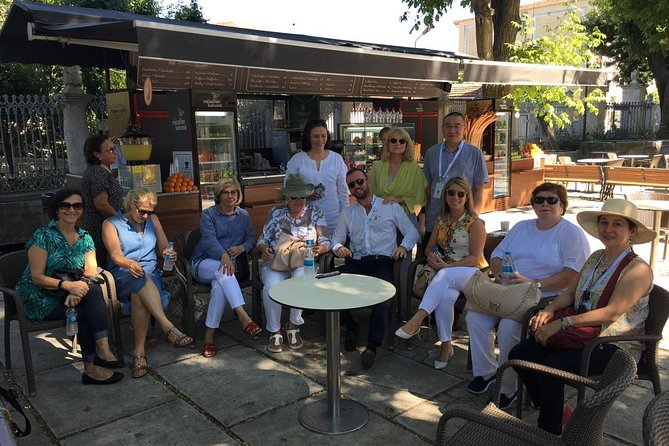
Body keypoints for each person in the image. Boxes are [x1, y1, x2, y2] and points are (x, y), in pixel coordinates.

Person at [509, 199, 655, 435]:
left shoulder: (637, 269)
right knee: (520, 355)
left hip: (613, 344)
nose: (608, 229)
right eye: (604, 223)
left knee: (551, 368)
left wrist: (562, 323)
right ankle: (557, 411)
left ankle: (549, 431)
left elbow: (613, 312)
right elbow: (569, 294)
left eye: (618, 224)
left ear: (632, 231)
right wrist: (548, 310)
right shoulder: (596, 257)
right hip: (581, 334)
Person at [465, 182, 590, 410]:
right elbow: (497, 255)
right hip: (509, 290)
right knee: (475, 317)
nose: (545, 204)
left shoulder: (571, 234)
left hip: (545, 297)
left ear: (562, 205)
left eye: (552, 200)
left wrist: (534, 283)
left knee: (509, 327)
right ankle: (486, 373)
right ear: (532, 204)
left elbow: (572, 276)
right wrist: (500, 274)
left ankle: (507, 389)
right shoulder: (522, 227)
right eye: (539, 200)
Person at [16, 188, 124, 385]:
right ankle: (95, 362)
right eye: (66, 205)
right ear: (57, 209)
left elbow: (91, 269)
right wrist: (68, 286)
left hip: (69, 291)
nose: (71, 210)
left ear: (82, 210)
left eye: (77, 206)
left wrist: (77, 289)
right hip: (38, 296)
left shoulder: (84, 237)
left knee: (91, 291)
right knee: (86, 309)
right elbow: (37, 277)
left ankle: (100, 354)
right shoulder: (44, 235)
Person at [395, 177, 487, 369]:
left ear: (467, 197)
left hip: (470, 273)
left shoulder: (475, 223)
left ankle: (417, 319)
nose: (455, 197)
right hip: (446, 272)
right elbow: (429, 247)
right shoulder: (441, 220)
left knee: (444, 276)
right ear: (445, 195)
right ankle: (446, 346)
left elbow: (474, 258)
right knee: (445, 298)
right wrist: (432, 258)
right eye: (451, 193)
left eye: (461, 194)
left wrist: (444, 267)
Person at [332, 167, 419, 369]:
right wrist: (339, 248)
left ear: (368, 181)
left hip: (383, 262)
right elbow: (335, 239)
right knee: (331, 285)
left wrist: (403, 246)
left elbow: (411, 232)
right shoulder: (348, 212)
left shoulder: (389, 206)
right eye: (351, 185)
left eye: (360, 182)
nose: (357, 187)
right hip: (358, 261)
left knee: (383, 298)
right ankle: (351, 326)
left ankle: (372, 346)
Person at [103, 188, 192, 379]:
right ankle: (168, 327)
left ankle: (139, 354)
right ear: (130, 205)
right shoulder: (111, 224)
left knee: (139, 294)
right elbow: (115, 255)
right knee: (139, 279)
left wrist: (169, 253)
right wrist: (129, 263)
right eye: (142, 211)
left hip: (149, 274)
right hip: (123, 273)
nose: (146, 215)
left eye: (150, 211)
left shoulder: (152, 220)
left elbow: (162, 247)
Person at [257, 174, 331, 353]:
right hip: (276, 261)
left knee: (303, 281)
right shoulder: (276, 213)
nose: (298, 201)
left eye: (301, 197)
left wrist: (320, 250)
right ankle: (274, 330)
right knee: (270, 286)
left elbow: (327, 241)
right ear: (286, 197)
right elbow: (262, 239)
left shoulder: (315, 213)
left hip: (303, 262)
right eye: (294, 197)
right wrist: (264, 248)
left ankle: (293, 324)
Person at [191, 177, 261, 358]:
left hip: (229, 269)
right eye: (226, 192)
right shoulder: (209, 215)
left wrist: (242, 247)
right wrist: (223, 255)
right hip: (203, 262)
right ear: (218, 195)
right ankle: (243, 315)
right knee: (223, 270)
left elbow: (251, 239)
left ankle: (209, 338)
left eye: (233, 192)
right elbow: (208, 241)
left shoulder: (243, 215)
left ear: (238, 195)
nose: (230, 196)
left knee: (219, 287)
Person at [421, 112, 489, 246]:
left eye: (457, 126)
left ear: (464, 128)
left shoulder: (475, 153)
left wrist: (473, 218)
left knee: (455, 260)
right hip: (434, 218)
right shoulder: (432, 152)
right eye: (448, 126)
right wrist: (424, 218)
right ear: (442, 129)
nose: (452, 130)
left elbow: (479, 188)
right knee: (430, 259)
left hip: (461, 219)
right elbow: (429, 186)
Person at [285, 119, 348, 235]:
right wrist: (304, 192)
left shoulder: (336, 159)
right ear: (308, 137)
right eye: (316, 136)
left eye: (323, 136)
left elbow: (343, 190)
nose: (320, 140)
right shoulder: (298, 160)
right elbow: (287, 187)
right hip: (306, 219)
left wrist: (346, 217)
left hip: (334, 218)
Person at [81, 134, 124, 266]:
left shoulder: (101, 171)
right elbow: (101, 204)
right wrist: (121, 222)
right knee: (102, 266)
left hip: (101, 226)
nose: (114, 152)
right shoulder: (98, 173)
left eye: (114, 149)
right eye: (109, 150)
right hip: (100, 228)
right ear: (97, 154)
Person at [369, 126, 426, 226]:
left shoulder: (414, 169)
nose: (397, 144)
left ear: (407, 144)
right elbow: (370, 195)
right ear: (387, 143)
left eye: (402, 141)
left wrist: (400, 199)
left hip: (405, 219)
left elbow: (420, 198)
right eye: (393, 140)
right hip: (381, 218)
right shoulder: (376, 167)